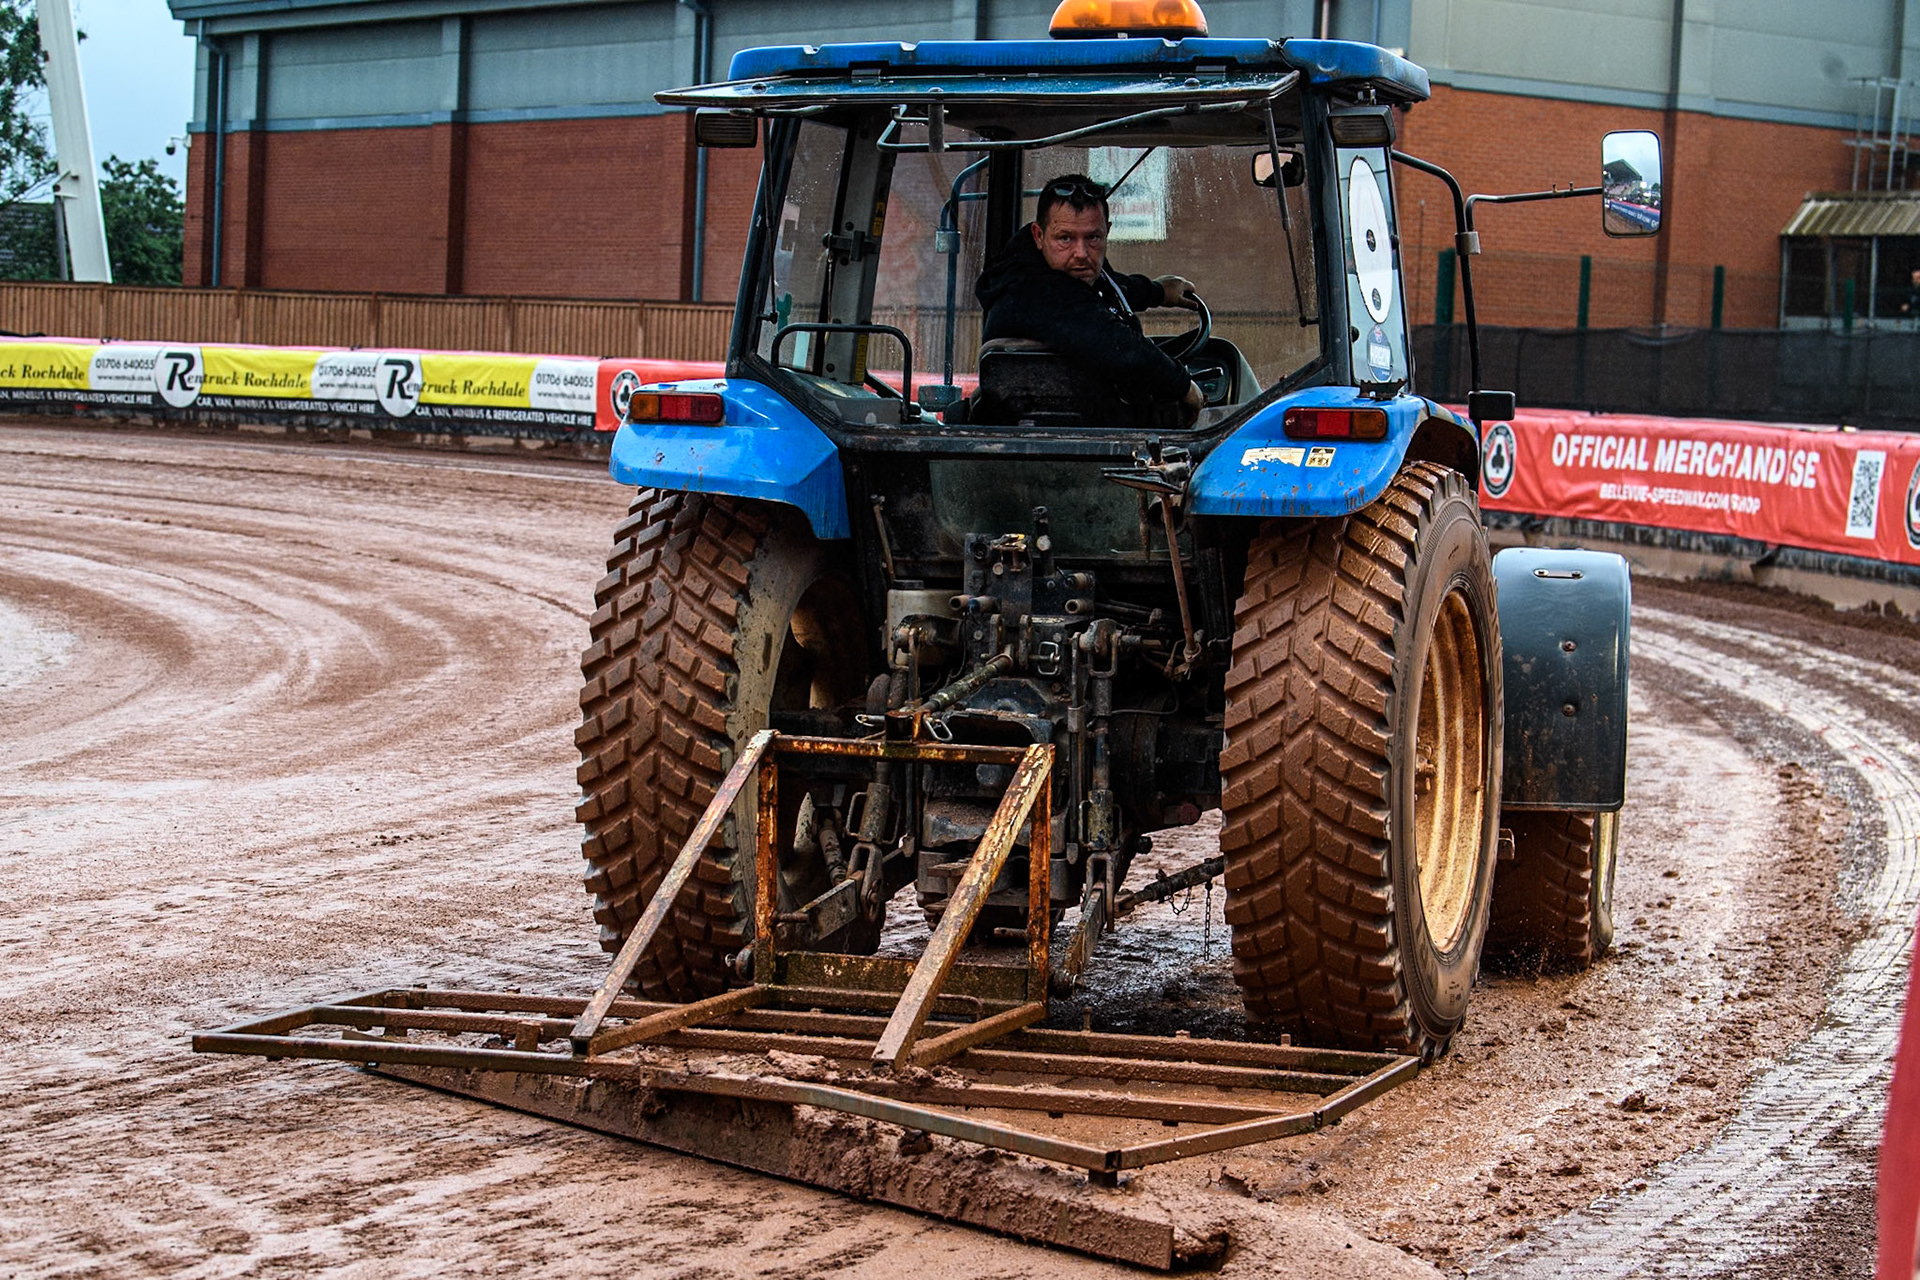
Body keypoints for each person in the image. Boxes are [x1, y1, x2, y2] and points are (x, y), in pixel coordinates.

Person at [975, 174, 1206, 423]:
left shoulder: (1064, 274)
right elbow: (1119, 347)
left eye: (1093, 238)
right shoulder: (1031, 290)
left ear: (1108, 231)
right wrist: (1184, 387)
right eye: (1065, 238)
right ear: (1038, 236)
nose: (1081, 253)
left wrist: (1156, 292)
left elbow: (1105, 287)